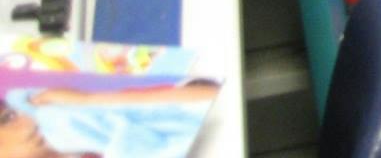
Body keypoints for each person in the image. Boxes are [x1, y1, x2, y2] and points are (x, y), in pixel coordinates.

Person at [0, 78, 222, 156]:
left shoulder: (84, 120)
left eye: (9, 115)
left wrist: (89, 101)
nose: (23, 123)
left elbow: (215, 103)